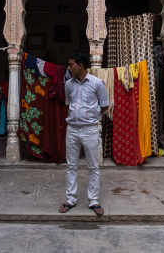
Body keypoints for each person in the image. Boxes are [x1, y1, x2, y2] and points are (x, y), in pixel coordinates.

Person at [59, 53, 109, 216]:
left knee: (93, 166)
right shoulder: (68, 84)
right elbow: (69, 102)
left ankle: (93, 200)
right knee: (71, 165)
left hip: (90, 129)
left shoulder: (97, 84)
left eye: (70, 64)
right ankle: (70, 199)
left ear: (80, 65)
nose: (68, 68)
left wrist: (91, 115)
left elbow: (104, 106)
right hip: (72, 129)